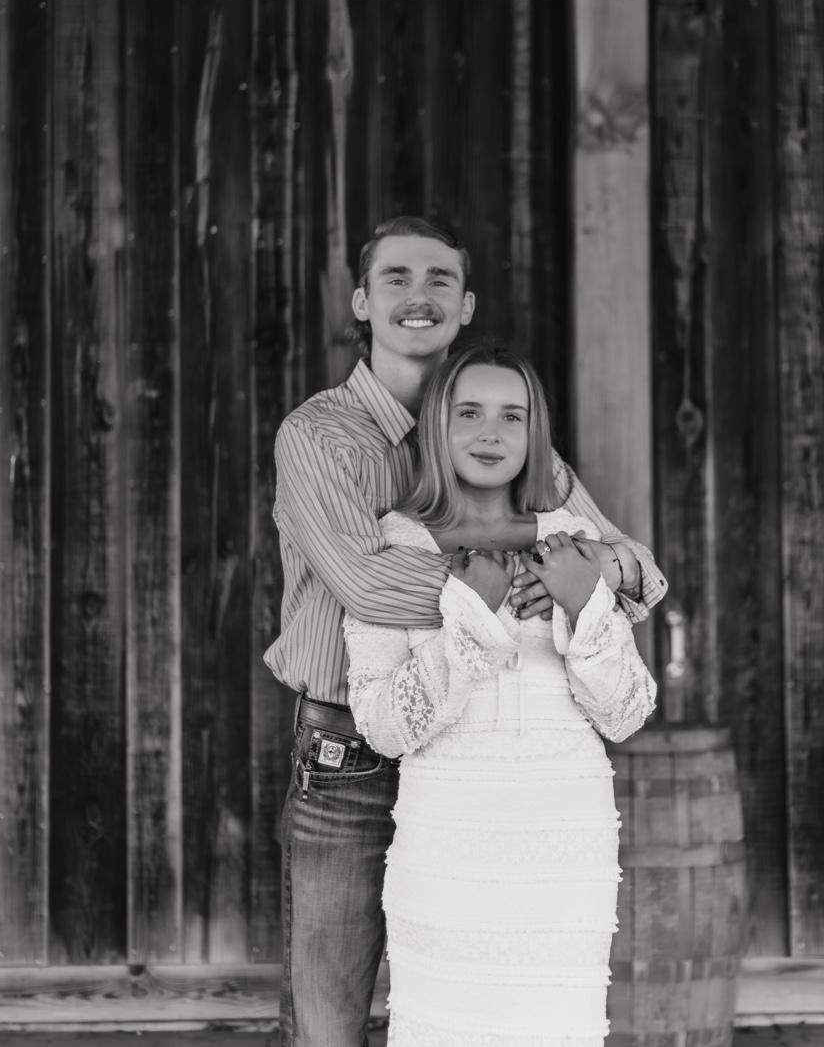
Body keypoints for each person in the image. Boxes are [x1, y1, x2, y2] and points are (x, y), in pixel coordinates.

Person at [267, 214, 667, 1047]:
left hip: (487, 772)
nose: (420, 296)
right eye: (397, 278)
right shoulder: (320, 436)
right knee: (331, 1018)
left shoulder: (505, 434)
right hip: (351, 745)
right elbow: (365, 584)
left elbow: (626, 565)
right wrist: (519, 589)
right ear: (361, 303)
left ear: (466, 303)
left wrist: (597, 578)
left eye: (439, 279)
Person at [343, 342, 657, 1046]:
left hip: (564, 836)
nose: (491, 432)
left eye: (512, 416)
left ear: (534, 432)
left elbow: (627, 712)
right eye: (470, 412)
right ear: (436, 424)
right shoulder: (392, 546)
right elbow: (383, 725)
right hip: (448, 837)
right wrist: (471, 614)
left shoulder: (574, 542)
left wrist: (585, 604)